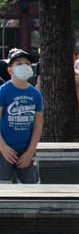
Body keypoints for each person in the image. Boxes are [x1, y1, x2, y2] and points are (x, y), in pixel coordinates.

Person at [0, 49, 43, 184]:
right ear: (10, 70)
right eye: (18, 63)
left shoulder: (36, 94)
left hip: (26, 150)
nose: (23, 66)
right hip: (5, 150)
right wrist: (3, 148)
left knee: (31, 189)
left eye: (27, 63)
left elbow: (38, 124)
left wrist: (31, 151)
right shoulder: (3, 91)